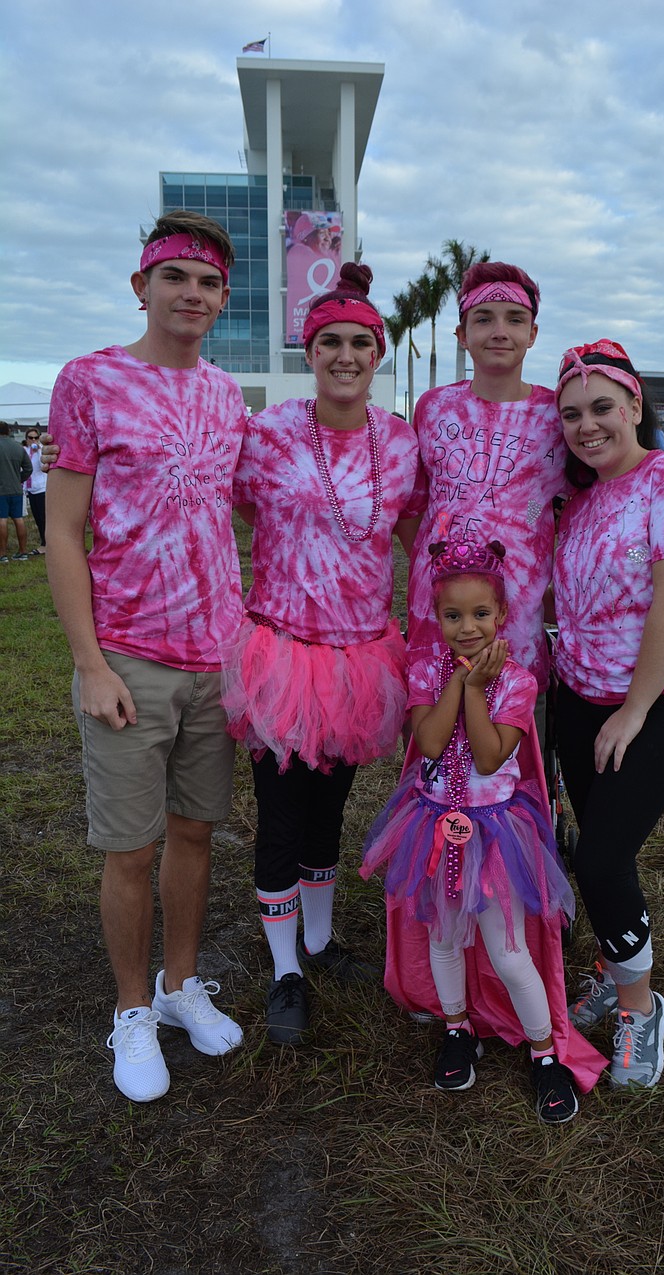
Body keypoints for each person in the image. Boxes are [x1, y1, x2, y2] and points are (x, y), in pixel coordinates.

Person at [46, 210, 247, 1102]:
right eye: (176, 277)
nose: (191, 294)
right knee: (130, 846)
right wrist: (91, 663)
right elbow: (62, 531)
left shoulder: (228, 396)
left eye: (208, 283)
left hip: (217, 656)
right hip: (129, 655)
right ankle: (131, 1009)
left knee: (196, 832)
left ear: (223, 299)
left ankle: (178, 985)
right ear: (143, 286)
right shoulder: (90, 381)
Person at [220, 263, 424, 1047]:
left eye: (360, 343)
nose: (345, 355)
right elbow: (241, 507)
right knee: (280, 817)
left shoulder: (399, 441)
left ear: (378, 354)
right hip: (283, 653)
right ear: (309, 352)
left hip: (360, 659)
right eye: (330, 342)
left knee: (329, 811)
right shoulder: (270, 432)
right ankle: (285, 971)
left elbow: (417, 531)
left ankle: (318, 938)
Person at [405, 261, 664, 710]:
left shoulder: (556, 415)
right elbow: (414, 507)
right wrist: (436, 565)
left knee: (512, 736)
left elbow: (607, 494)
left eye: (514, 319)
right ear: (462, 334)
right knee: (431, 735)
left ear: (533, 334)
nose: (499, 331)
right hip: (437, 610)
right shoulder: (433, 407)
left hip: (516, 618)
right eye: (483, 319)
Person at [361, 539, 606, 1123]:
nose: (466, 627)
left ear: (501, 615)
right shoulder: (425, 672)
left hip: (495, 835)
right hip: (430, 827)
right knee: (443, 940)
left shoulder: (517, 682)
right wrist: (460, 682)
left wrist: (477, 689)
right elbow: (428, 743)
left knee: (509, 951)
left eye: (479, 614)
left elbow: (492, 756)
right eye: (452, 616)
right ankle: (457, 1028)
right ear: (436, 616)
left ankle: (544, 1053)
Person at [553, 340, 664, 1089]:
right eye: (571, 415)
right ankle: (610, 970)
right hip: (577, 696)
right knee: (600, 850)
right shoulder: (579, 499)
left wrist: (635, 709)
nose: (587, 426)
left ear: (633, 406)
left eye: (601, 408)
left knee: (601, 858)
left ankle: (642, 1009)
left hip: (658, 698)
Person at [0, 421, 33, 562]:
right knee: (18, 519)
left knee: (2, 520)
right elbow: (28, 468)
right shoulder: (18, 447)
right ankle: (23, 551)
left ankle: (2, 554)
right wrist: (18, 479)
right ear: (8, 431)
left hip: (1, 490)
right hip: (16, 489)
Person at [24, 427, 47, 553]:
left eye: (36, 437)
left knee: (43, 518)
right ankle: (43, 541)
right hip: (31, 488)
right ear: (26, 439)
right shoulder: (25, 451)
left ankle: (46, 544)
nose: (33, 440)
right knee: (37, 518)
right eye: (30, 438)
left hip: (42, 488)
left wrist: (38, 451)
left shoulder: (41, 450)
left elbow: (43, 466)